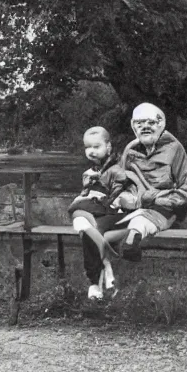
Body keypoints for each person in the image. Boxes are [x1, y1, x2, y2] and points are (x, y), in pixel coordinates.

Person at [78, 103, 187, 299]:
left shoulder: (175, 149)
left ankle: (132, 240)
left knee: (139, 220)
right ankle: (95, 285)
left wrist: (154, 197)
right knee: (91, 228)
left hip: (161, 211)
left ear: (162, 123)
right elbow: (120, 182)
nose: (145, 126)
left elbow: (186, 194)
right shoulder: (130, 150)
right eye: (140, 122)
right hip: (130, 211)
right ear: (133, 125)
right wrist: (114, 196)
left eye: (151, 122)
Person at [67, 127, 135, 300]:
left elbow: (123, 195)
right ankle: (104, 269)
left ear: (109, 147)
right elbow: (87, 194)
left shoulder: (118, 168)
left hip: (117, 214)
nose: (91, 151)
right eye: (88, 147)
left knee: (85, 223)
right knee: (86, 227)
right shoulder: (91, 172)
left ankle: (95, 280)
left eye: (96, 147)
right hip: (99, 213)